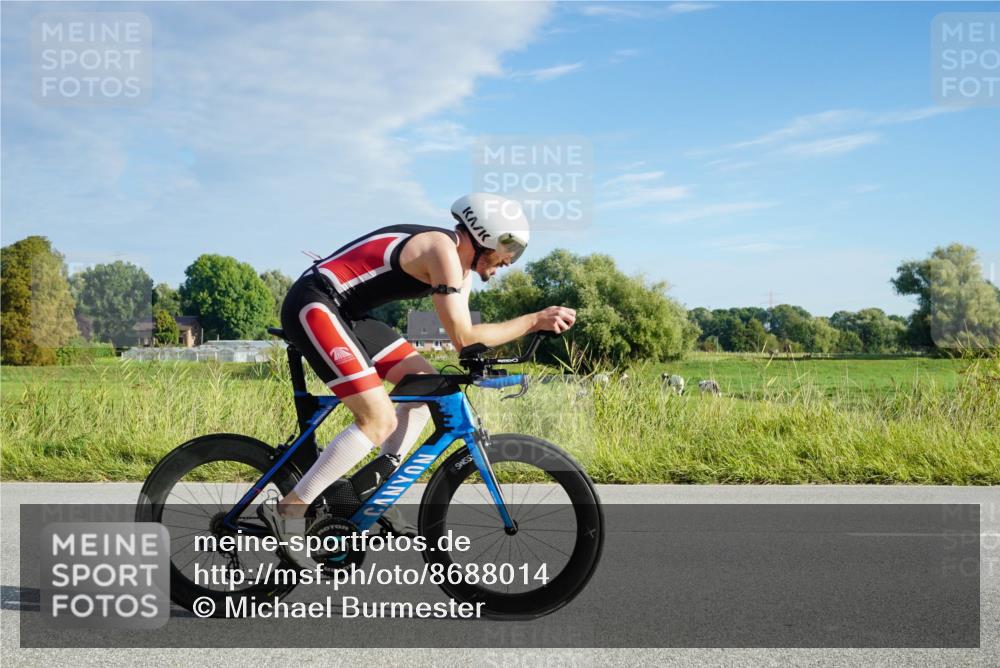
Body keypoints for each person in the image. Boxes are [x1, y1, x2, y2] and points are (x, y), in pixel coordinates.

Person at [259, 193, 576, 568]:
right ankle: (290, 510)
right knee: (378, 419)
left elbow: (468, 341)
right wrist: (532, 320)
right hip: (314, 303)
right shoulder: (443, 250)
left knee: (425, 389)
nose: (510, 260)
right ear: (482, 236)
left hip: (349, 315)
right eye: (510, 247)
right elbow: (463, 336)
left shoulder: (460, 271)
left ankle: (368, 494)